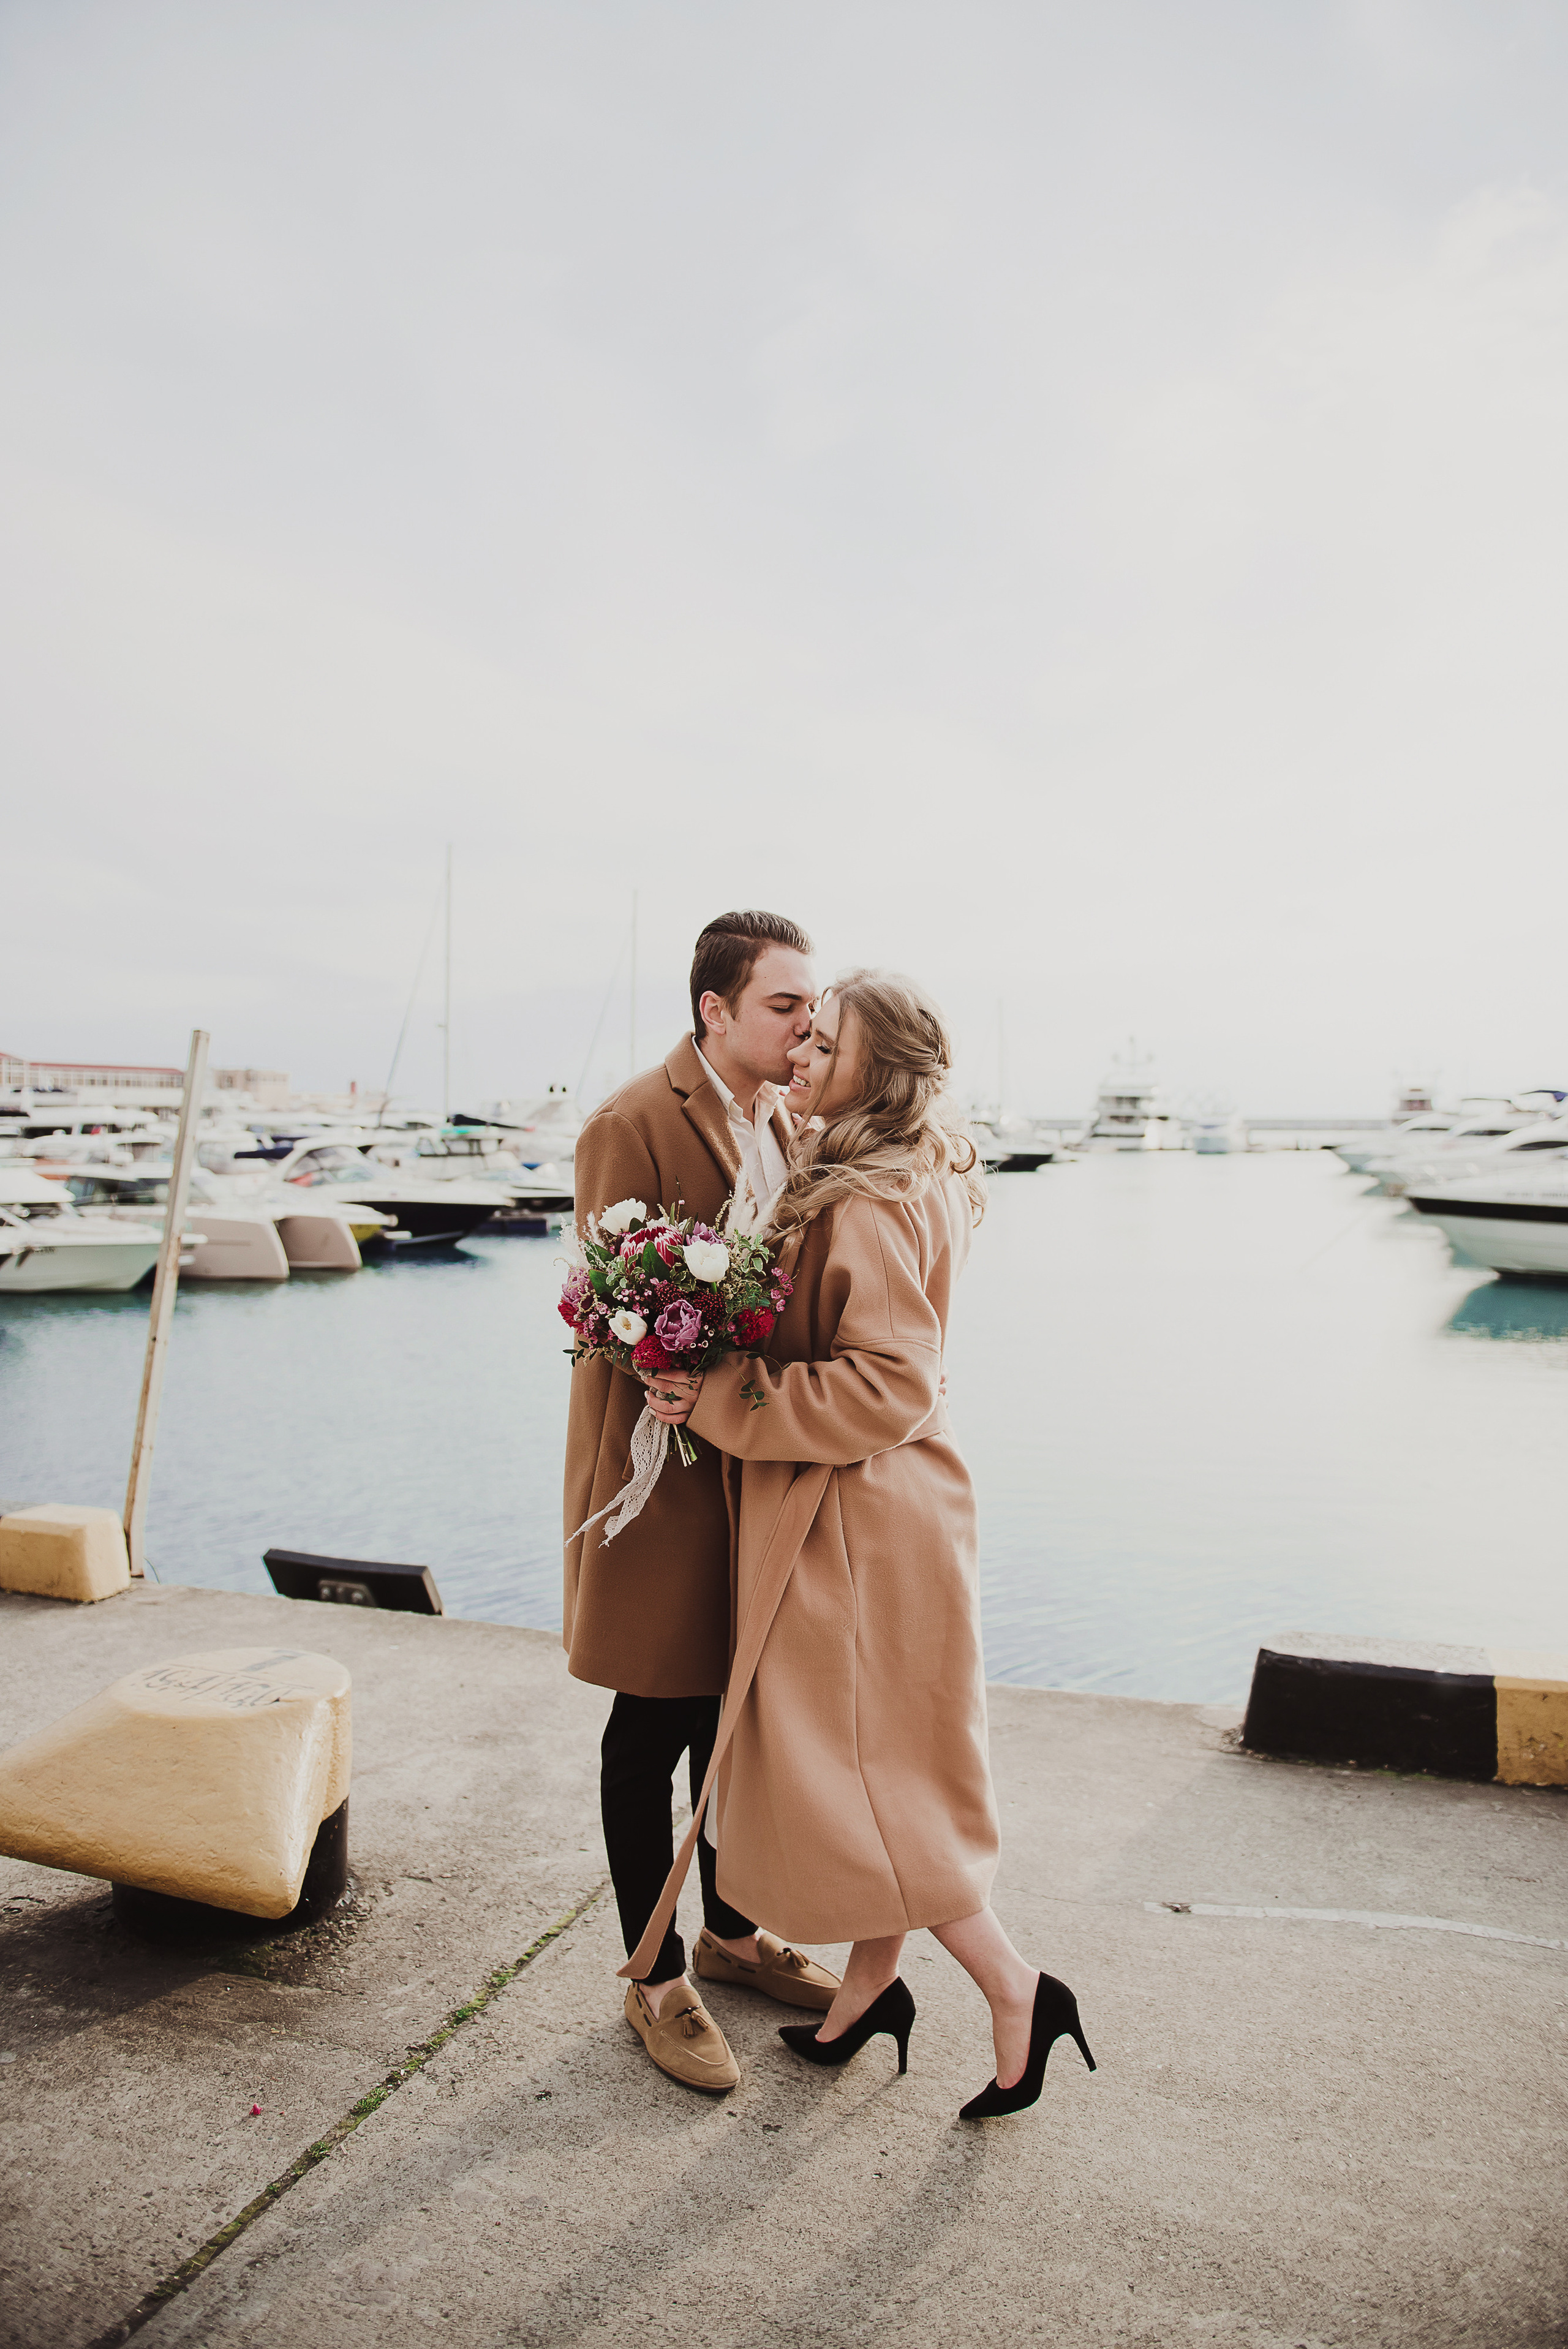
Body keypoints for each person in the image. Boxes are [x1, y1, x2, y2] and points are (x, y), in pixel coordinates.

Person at [628, 970, 1096, 2119]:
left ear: (873, 1071)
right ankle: (870, 1991)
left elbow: (889, 1381)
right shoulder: (896, 1160)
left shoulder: (874, 1194)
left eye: (823, 1044)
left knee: (867, 1777)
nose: (799, 1054)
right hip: (884, 1507)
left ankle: (1016, 1986)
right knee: (881, 1761)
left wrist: (726, 1398)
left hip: (856, 1518)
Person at [563, 908, 842, 2095]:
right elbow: (604, 1298)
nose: (805, 1025)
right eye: (785, 1005)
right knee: (655, 1721)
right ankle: (651, 1972)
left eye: (811, 1008)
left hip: (751, 1473)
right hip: (660, 1475)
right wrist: (666, 1360)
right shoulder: (631, 1120)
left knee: (736, 1717)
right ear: (712, 1009)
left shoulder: (786, 1116)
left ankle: (729, 1932)